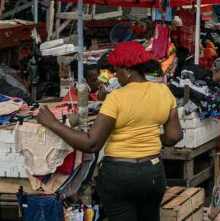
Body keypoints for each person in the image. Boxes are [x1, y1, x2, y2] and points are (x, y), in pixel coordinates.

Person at [37, 42, 182, 220]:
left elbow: (91, 143)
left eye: (117, 71)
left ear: (127, 70)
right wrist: (147, 138)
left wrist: (53, 124)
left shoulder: (117, 98)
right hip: (152, 173)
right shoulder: (164, 92)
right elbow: (173, 136)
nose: (116, 76)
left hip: (120, 175)